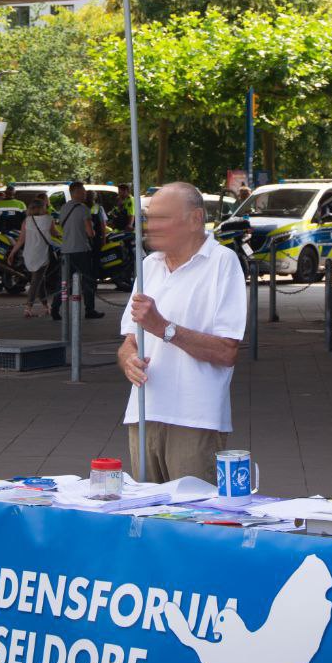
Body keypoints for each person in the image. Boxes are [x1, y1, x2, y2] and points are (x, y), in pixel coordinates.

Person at [118, 182, 246, 484]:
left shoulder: (222, 263)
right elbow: (129, 341)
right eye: (150, 217)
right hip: (143, 413)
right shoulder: (149, 265)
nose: (152, 226)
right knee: (147, 519)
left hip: (194, 418)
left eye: (163, 218)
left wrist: (164, 328)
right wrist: (128, 361)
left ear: (195, 219)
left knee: (194, 520)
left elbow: (227, 352)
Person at [51, 181, 103, 321]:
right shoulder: (83, 209)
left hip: (66, 249)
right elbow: (90, 232)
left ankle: (55, 308)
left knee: (63, 282)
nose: (85, 194)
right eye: (83, 191)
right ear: (75, 192)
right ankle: (89, 310)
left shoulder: (64, 208)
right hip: (81, 249)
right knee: (87, 280)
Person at [8, 197, 55, 318]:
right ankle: (28, 308)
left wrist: (12, 253)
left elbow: (21, 240)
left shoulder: (27, 221)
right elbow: (55, 233)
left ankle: (46, 306)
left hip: (29, 255)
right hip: (42, 254)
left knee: (39, 280)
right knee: (36, 281)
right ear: (41, 207)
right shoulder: (49, 219)